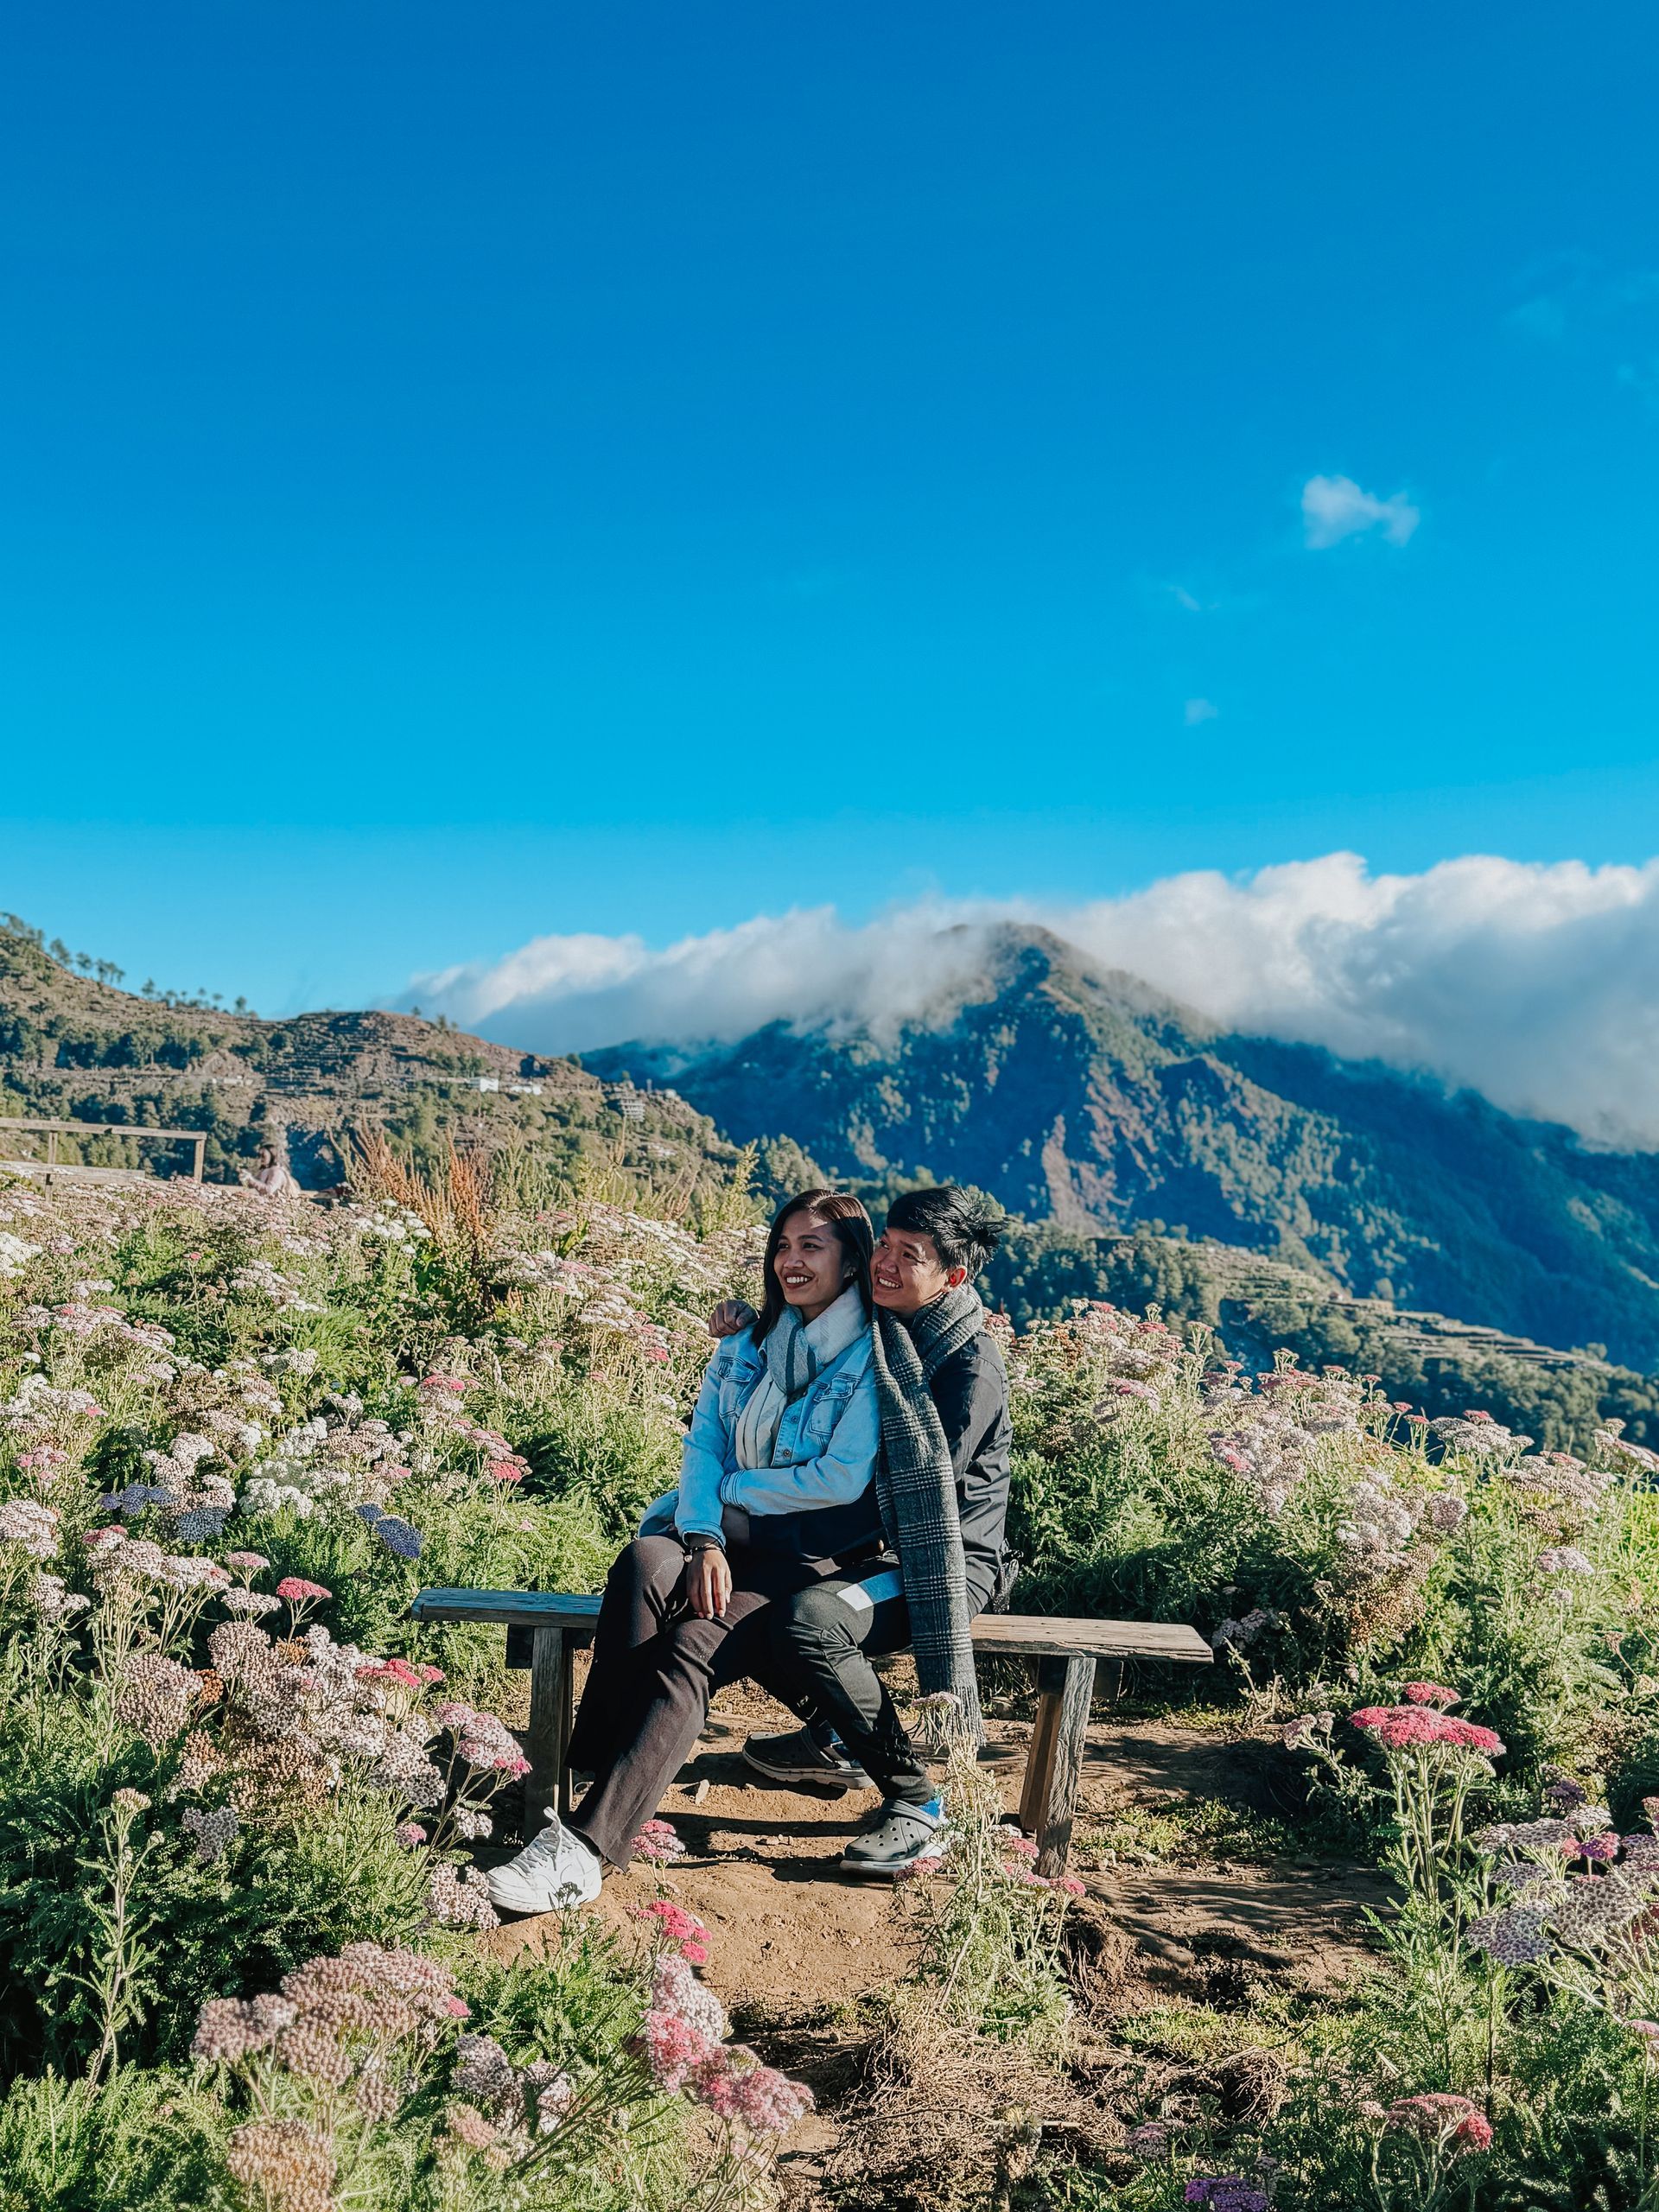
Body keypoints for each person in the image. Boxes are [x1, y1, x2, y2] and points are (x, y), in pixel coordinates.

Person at [485, 1189, 884, 1916]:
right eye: (783, 1245)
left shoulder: (869, 1358)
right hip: (721, 1532)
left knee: (691, 1641)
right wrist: (704, 1536)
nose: (791, 1261)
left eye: (812, 1247)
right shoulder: (747, 1342)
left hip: (805, 1557)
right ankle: (601, 1779)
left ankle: (586, 1848)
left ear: (853, 1262)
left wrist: (729, 1499)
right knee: (645, 1563)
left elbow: (839, 1478)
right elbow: (702, 1446)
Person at [720, 1186, 1014, 1879]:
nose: (884, 1262)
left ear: (952, 1277)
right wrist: (748, 1322)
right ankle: (836, 1736)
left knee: (808, 1619)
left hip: (941, 1561)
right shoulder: (885, 1327)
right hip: (871, 1549)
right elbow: (803, 1336)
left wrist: (765, 1525)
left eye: (909, 1255)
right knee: (745, 1590)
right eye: (884, 1243)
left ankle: (918, 1803)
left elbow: (907, 1500)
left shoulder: (968, 1366)